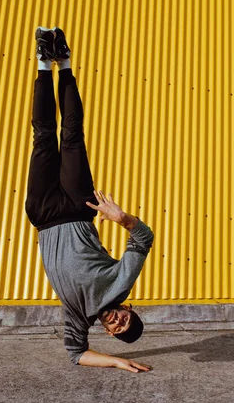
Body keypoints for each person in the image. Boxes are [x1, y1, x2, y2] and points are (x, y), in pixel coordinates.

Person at [25, 27, 154, 373]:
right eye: (125, 320)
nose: (116, 321)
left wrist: (115, 361)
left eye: (117, 329)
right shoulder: (122, 282)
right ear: (130, 309)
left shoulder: (79, 315)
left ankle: (42, 62)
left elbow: (76, 353)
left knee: (42, 137)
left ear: (109, 332)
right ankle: (63, 61)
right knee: (70, 134)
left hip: (45, 213)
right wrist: (121, 218)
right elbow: (145, 238)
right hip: (81, 207)